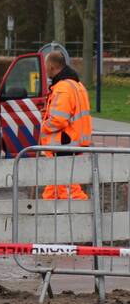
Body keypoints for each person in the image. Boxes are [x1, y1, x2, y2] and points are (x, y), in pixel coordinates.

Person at [39, 50, 92, 200]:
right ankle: (47, 214)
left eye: (46, 65)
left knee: (68, 190)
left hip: (63, 145)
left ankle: (82, 218)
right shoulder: (77, 85)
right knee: (55, 187)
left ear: (51, 66)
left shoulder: (63, 88)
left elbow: (58, 120)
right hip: (72, 143)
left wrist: (43, 126)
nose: (45, 68)